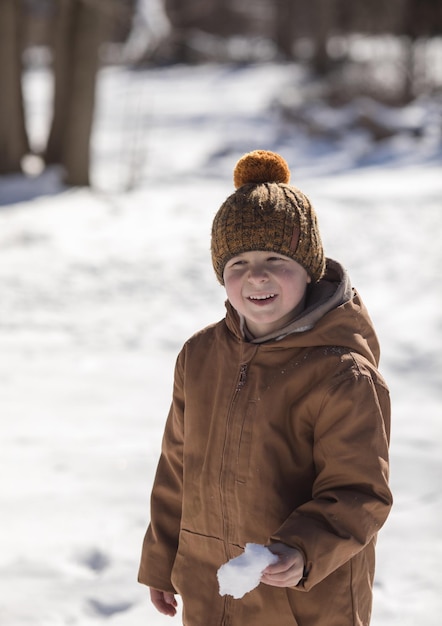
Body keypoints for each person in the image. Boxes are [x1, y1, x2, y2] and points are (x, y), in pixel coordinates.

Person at [138, 150, 392, 625]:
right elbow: (177, 464)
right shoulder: (199, 357)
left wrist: (301, 550)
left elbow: (360, 490)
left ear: (309, 268)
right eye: (239, 263)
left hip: (302, 597)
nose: (257, 275)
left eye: (277, 258)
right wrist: (162, 557)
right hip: (212, 589)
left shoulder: (341, 373)